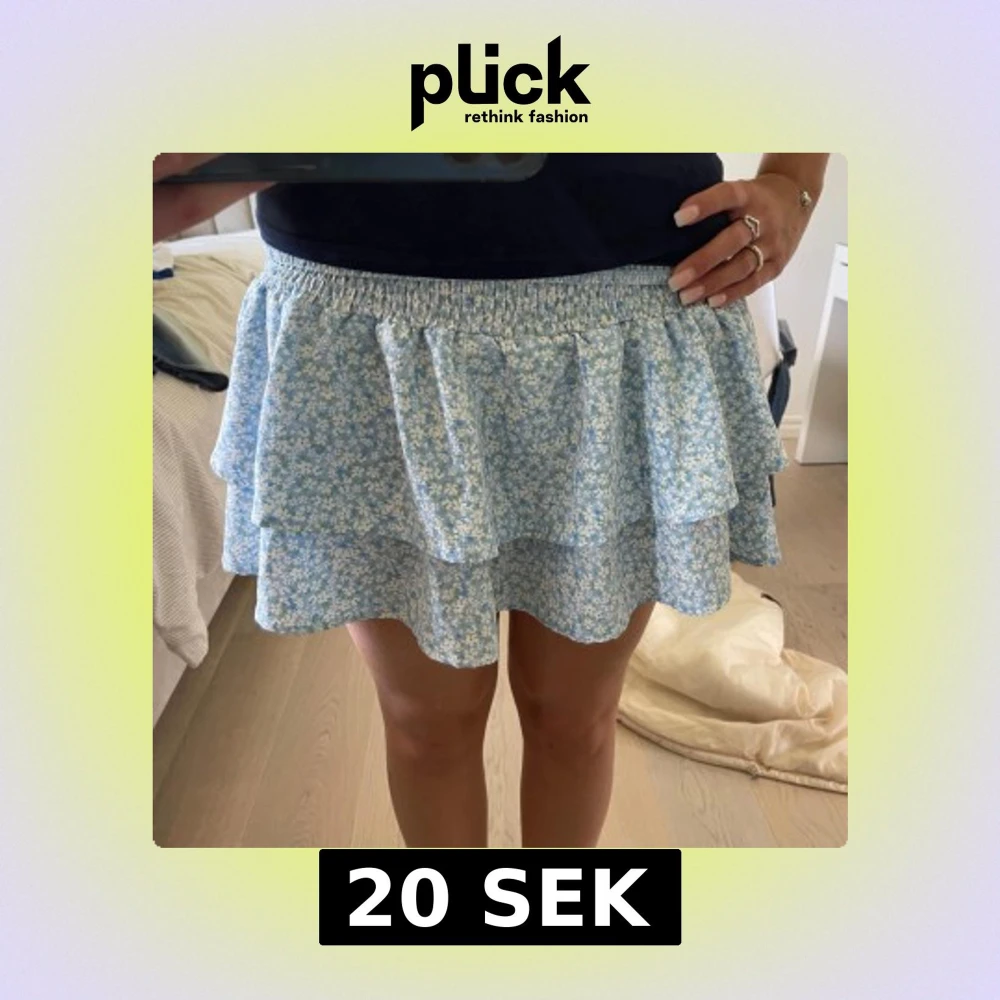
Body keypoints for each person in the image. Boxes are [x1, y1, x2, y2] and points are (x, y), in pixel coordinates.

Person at [155, 152, 830, 848]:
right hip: (363, 318)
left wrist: (794, 180)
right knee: (424, 725)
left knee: (573, 718)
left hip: (630, 304)